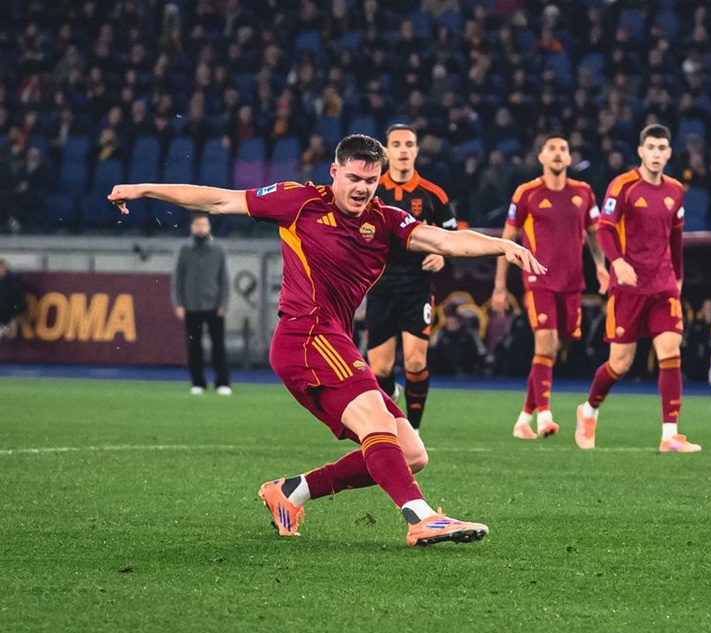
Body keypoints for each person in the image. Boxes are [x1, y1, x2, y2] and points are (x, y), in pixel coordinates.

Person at [107, 133, 545, 546]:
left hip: (335, 340)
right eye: (353, 178)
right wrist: (144, 189)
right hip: (305, 333)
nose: (362, 189)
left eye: (371, 180)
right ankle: (421, 518)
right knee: (376, 421)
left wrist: (502, 246)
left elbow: (444, 240)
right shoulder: (300, 201)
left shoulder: (386, 221)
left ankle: (291, 492)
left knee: (412, 453)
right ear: (334, 172)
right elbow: (220, 199)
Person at [575, 124, 700, 453]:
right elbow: (604, 229)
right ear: (641, 151)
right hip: (629, 286)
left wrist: (678, 278)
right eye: (651, 148)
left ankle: (670, 435)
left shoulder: (675, 190)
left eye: (662, 148)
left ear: (669, 153)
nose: (656, 154)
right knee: (620, 363)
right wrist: (616, 262)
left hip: (663, 284)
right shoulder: (623, 186)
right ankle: (588, 411)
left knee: (670, 352)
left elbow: (676, 238)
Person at [490, 134, 607, 439]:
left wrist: (601, 266)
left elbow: (594, 234)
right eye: (551, 149)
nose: (557, 153)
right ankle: (545, 416)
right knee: (545, 344)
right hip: (538, 279)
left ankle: (523, 418)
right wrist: (500, 286)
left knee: (554, 347)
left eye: (563, 149)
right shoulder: (527, 193)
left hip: (571, 282)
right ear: (541, 157)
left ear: (569, 158)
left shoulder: (584, 193)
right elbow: (507, 239)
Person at [365, 124, 458, 435]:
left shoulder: (433, 194)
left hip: (417, 287)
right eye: (397, 144)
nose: (403, 150)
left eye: (409, 144)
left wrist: (442, 255)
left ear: (417, 150)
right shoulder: (372, 190)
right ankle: (392, 395)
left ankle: (413, 431)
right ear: (386, 151)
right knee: (379, 368)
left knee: (416, 362)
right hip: (379, 287)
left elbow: (452, 235)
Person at [172, 215, 231, 395]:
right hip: (191, 305)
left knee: (218, 346)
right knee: (194, 346)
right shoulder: (184, 249)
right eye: (198, 224)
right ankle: (198, 382)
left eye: (204, 224)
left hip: (214, 305)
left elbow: (224, 279)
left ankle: (222, 382)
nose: (201, 227)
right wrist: (178, 303)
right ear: (192, 227)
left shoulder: (218, 249)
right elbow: (177, 279)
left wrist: (224, 303)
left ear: (209, 226)